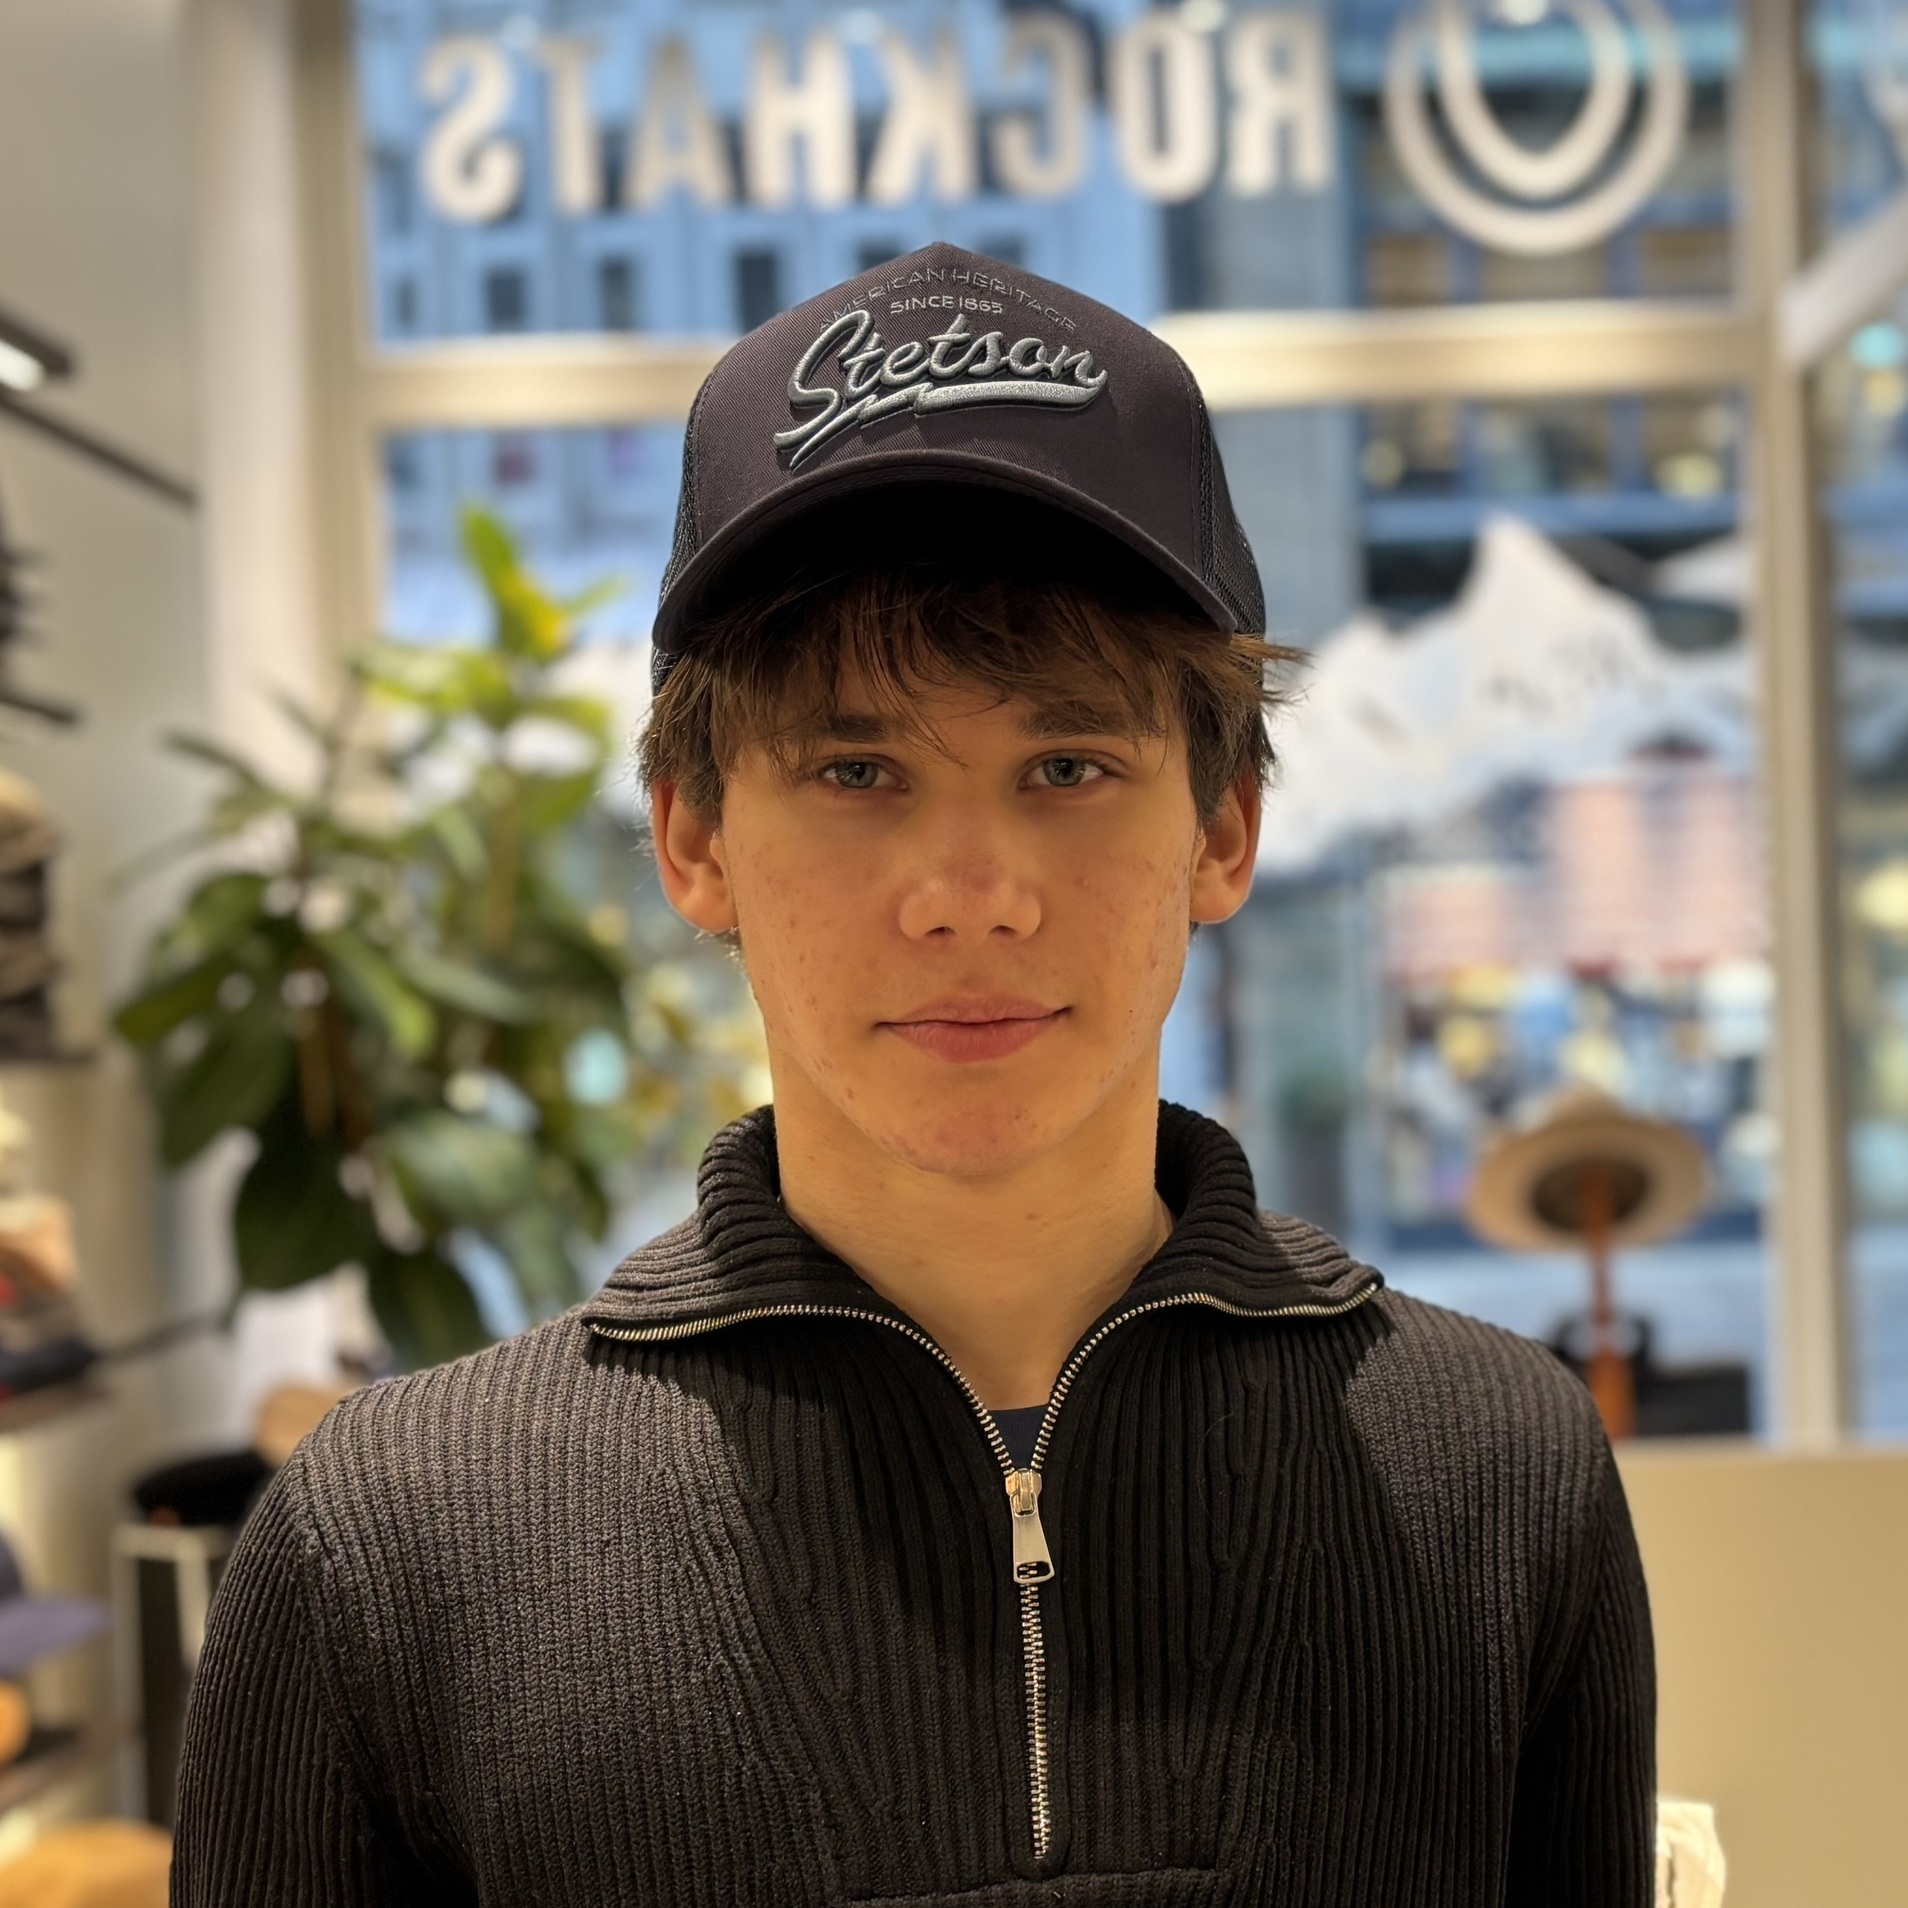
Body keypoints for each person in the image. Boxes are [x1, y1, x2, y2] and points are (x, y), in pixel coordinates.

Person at [171, 244, 1654, 1905]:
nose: (970, 895)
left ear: (1223, 831)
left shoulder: (1495, 1476)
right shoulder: (395, 1549)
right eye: (856, 770)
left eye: (1067, 765)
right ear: (694, 837)